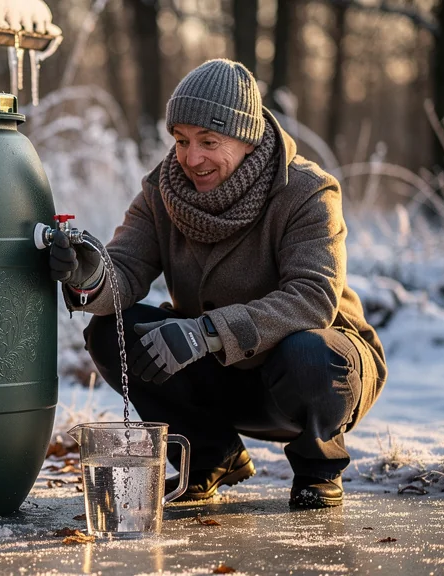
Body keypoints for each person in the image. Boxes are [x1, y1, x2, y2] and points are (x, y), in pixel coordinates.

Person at [48, 59, 387, 509]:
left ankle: (317, 467)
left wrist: (205, 332)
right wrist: (87, 274)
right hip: (218, 371)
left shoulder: (307, 191)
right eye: (182, 140)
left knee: (310, 352)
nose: (191, 158)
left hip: (311, 376)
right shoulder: (161, 191)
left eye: (209, 142)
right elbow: (124, 270)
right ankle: (210, 456)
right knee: (110, 333)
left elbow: (312, 299)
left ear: (246, 139)